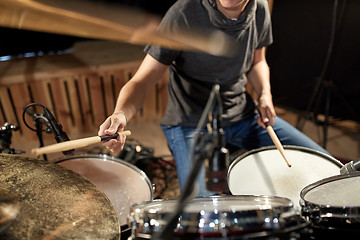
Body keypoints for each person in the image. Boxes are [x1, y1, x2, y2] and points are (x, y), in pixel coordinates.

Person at [98, 0, 330, 196]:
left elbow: (257, 61)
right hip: (189, 121)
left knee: (326, 168)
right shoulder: (184, 13)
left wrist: (265, 95)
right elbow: (142, 81)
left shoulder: (259, 9)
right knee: (204, 207)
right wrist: (120, 113)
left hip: (243, 114)